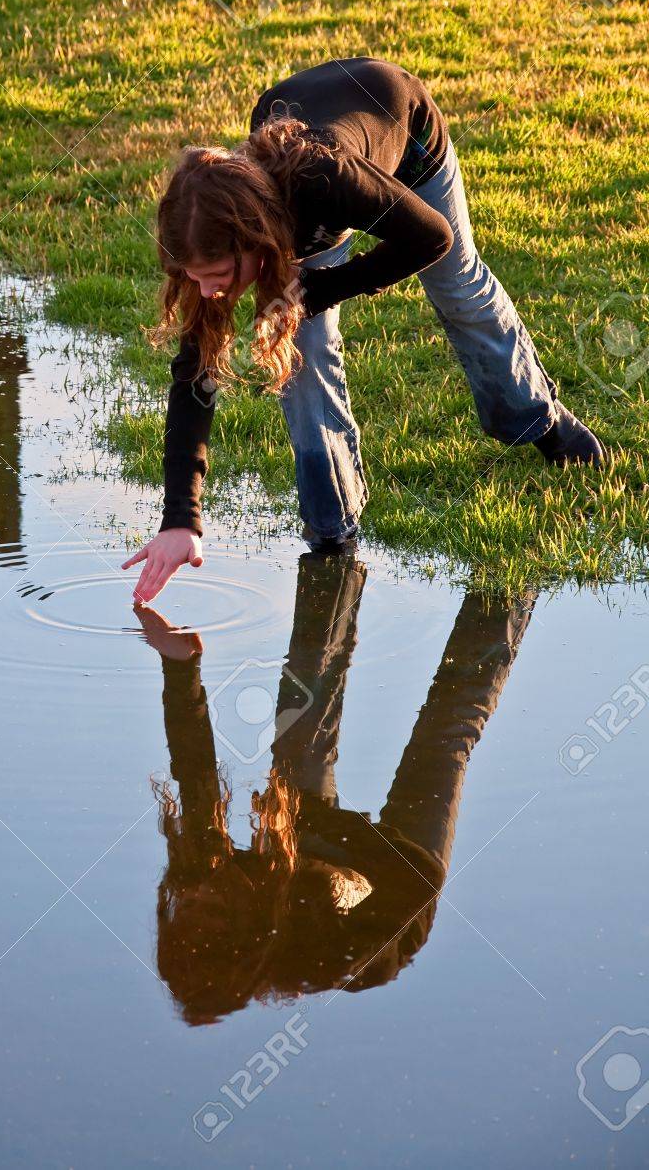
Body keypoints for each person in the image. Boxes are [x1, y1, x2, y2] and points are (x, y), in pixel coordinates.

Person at [122, 56, 604, 603]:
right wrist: (180, 518)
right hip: (303, 181)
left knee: (459, 291)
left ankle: (541, 421)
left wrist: (321, 290)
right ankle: (333, 531)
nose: (208, 291)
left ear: (253, 241)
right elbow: (195, 373)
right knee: (302, 348)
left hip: (404, 129)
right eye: (195, 278)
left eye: (218, 276)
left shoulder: (326, 180)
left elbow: (432, 238)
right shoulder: (212, 233)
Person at [136, 551, 536, 1024]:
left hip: (310, 850)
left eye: (188, 908)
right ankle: (513, 574)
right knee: (444, 736)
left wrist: (180, 666)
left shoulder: (199, 879)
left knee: (299, 722)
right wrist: (313, 821)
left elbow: (195, 773)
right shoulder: (321, 949)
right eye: (215, 911)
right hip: (402, 885)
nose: (202, 892)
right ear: (247, 937)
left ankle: (333, 559)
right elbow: (418, 880)